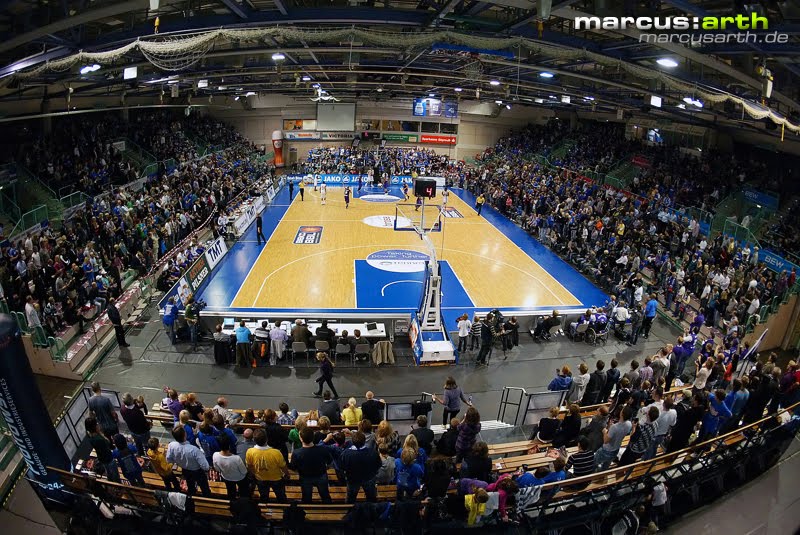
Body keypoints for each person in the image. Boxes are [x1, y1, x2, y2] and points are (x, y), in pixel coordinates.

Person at [288, 427, 335, 503]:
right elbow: (330, 462)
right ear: (313, 437)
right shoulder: (322, 449)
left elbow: (293, 467)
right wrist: (326, 468)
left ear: (301, 439)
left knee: (306, 497)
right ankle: (328, 507)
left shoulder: (297, 453)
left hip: (305, 477)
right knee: (325, 495)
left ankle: (307, 511)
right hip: (321, 475)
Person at [166, 425, 211, 497]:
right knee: (204, 487)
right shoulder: (194, 450)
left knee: (190, 486)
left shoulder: (171, 445)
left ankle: (191, 497)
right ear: (185, 434)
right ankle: (207, 499)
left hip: (185, 470)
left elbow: (168, 459)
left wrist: (178, 461)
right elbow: (206, 467)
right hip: (197, 471)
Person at [246, 428, 289, 503]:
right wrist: (287, 474)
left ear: (254, 439)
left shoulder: (250, 451)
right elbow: (283, 467)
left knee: (264, 497)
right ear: (267, 439)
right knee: (281, 496)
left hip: (260, 478)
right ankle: (284, 508)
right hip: (276, 479)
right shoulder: (276, 452)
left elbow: (249, 466)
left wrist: (254, 474)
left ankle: (265, 511)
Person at [339, 431, 382, 503]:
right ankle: (372, 510)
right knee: (371, 497)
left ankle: (350, 511)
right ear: (364, 441)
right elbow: (378, 465)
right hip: (368, 478)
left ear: (352, 441)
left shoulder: (345, 454)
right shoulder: (373, 452)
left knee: (351, 498)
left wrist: (345, 476)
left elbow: (341, 467)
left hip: (352, 479)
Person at [595, 405, 633, 471]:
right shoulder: (629, 424)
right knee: (606, 465)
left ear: (622, 414)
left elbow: (606, 441)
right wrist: (610, 428)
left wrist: (605, 431)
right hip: (616, 449)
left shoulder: (615, 427)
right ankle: (602, 475)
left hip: (606, 450)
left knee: (594, 462)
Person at [214, 434, 250, 500]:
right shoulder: (236, 458)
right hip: (240, 478)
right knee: (243, 491)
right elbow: (244, 471)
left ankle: (232, 502)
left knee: (231, 492)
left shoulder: (215, 455)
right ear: (229, 445)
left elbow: (217, 469)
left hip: (226, 477)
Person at [86, 417, 120, 482]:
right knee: (115, 475)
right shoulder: (99, 439)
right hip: (109, 459)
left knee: (108, 473)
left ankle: (111, 482)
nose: (98, 424)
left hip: (101, 458)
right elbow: (108, 442)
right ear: (94, 427)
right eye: (96, 424)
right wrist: (100, 433)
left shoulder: (90, 436)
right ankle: (118, 487)